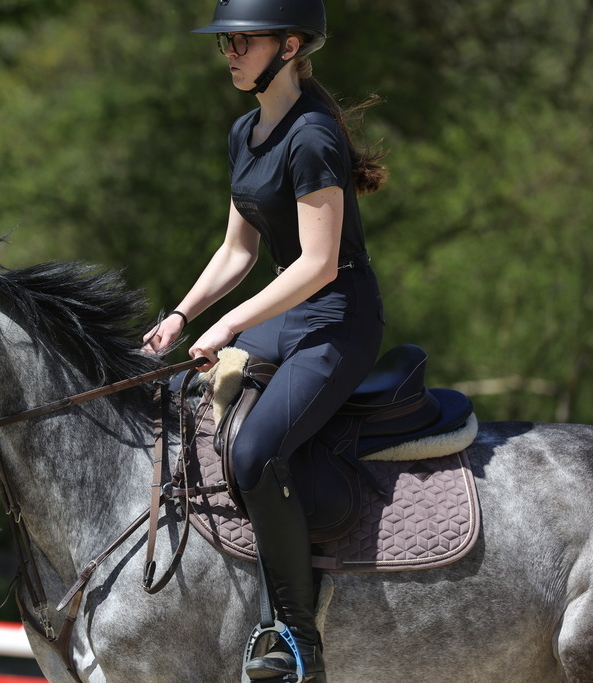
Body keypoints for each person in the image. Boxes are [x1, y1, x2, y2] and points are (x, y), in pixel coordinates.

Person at [142, 1, 388, 680]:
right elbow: (237, 249)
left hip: (338, 319)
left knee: (255, 451)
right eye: (225, 43)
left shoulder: (312, 136)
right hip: (287, 315)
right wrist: (184, 314)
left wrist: (230, 325)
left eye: (242, 42)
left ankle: (297, 635)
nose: (230, 53)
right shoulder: (245, 132)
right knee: (184, 402)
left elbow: (319, 264)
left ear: (290, 46)